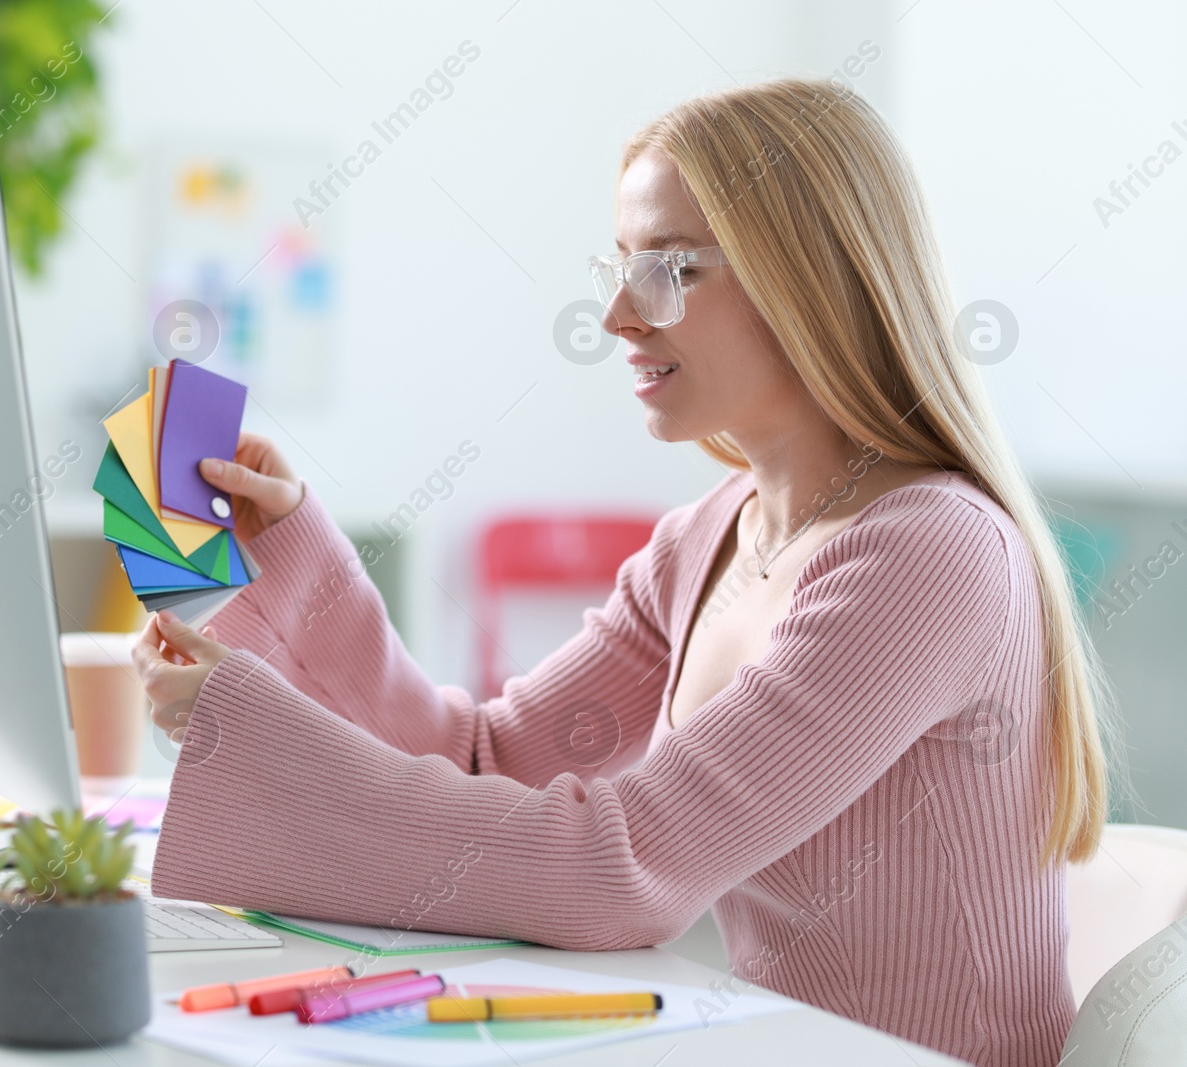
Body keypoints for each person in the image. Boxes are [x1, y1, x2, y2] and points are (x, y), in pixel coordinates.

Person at [133, 77, 1112, 1067]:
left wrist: (245, 716)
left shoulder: (927, 552)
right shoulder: (707, 538)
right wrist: (296, 547)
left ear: (814, 278)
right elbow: (486, 756)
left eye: (669, 269)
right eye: (620, 266)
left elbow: (618, 870)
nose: (614, 315)